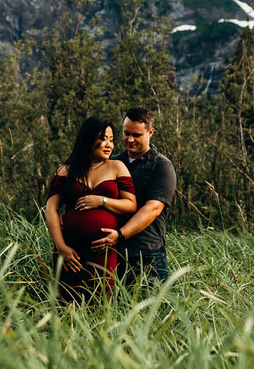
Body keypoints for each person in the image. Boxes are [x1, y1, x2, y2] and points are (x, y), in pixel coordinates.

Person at [44, 116, 136, 301]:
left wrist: (102, 201)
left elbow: (131, 205)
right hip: (70, 254)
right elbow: (51, 209)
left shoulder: (117, 167)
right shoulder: (65, 171)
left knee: (102, 304)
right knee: (67, 305)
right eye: (103, 138)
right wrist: (61, 247)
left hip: (103, 251)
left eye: (111, 139)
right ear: (88, 139)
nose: (108, 144)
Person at [92, 106, 176, 286]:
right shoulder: (111, 162)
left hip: (148, 256)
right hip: (113, 254)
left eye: (136, 135)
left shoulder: (162, 166)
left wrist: (120, 235)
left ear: (150, 132)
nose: (129, 140)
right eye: (126, 133)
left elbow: (152, 209)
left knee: (151, 312)